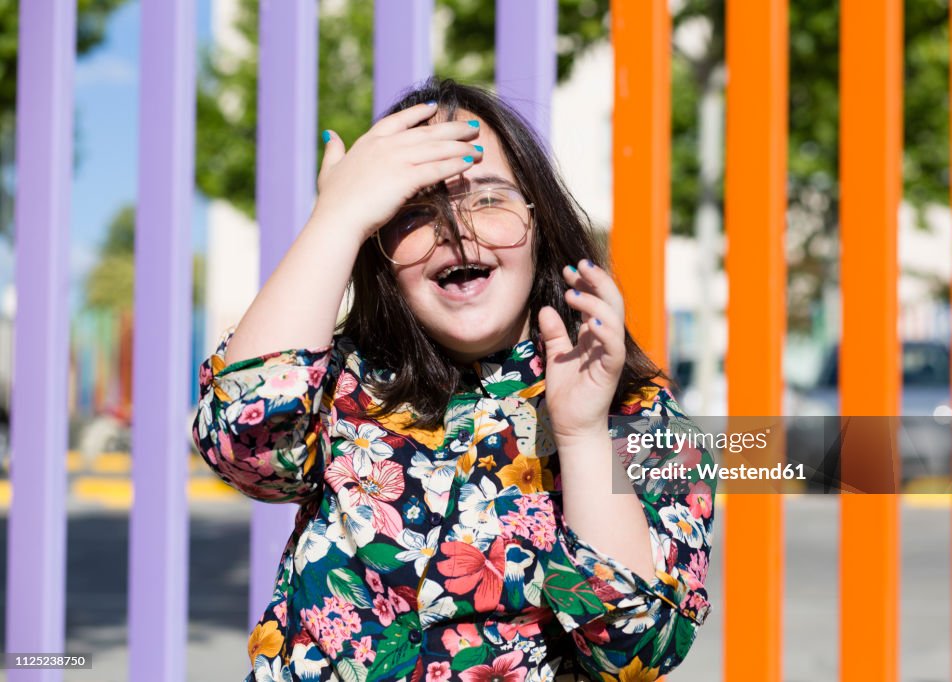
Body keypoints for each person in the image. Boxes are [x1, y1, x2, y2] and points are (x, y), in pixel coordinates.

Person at [192, 77, 714, 682]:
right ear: (378, 248)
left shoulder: (641, 416)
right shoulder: (340, 386)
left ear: (540, 227)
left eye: (490, 200)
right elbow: (242, 445)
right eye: (415, 211)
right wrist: (334, 220)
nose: (457, 230)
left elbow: (638, 649)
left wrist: (581, 434)